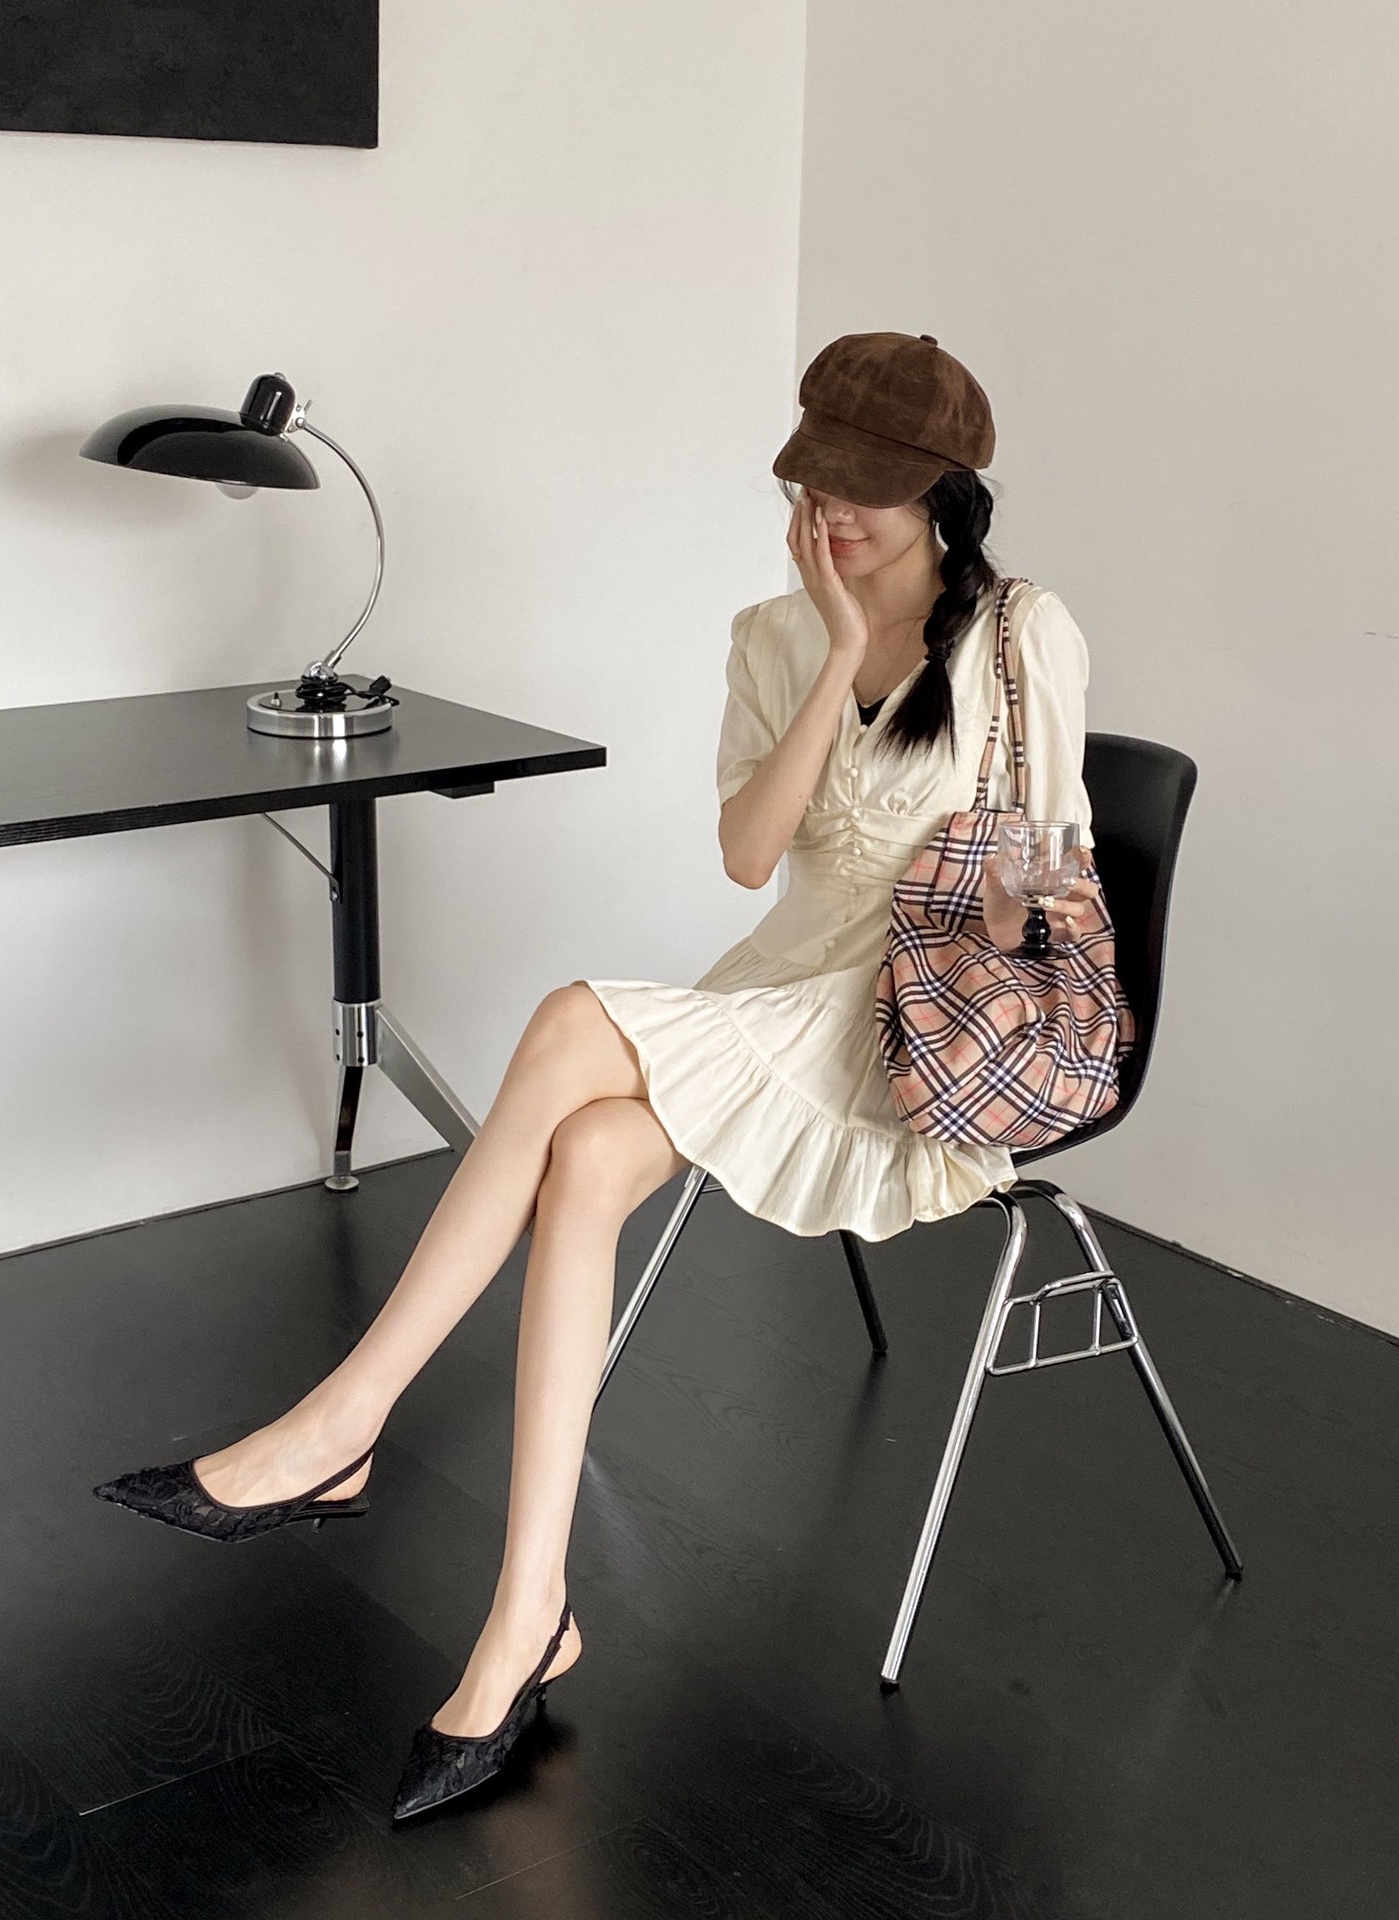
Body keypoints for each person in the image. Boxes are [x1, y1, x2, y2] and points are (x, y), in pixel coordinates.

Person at [93, 330, 1105, 1821]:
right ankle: (530, 1614)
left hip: (917, 1034)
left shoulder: (1023, 633)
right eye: (816, 479)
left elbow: (1050, 881)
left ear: (946, 490)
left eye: (870, 489)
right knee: (580, 1159)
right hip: (778, 997)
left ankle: (342, 1424)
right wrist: (835, 651)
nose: (835, 511)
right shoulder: (775, 633)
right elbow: (750, 859)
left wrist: (987, 893)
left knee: (571, 1019)